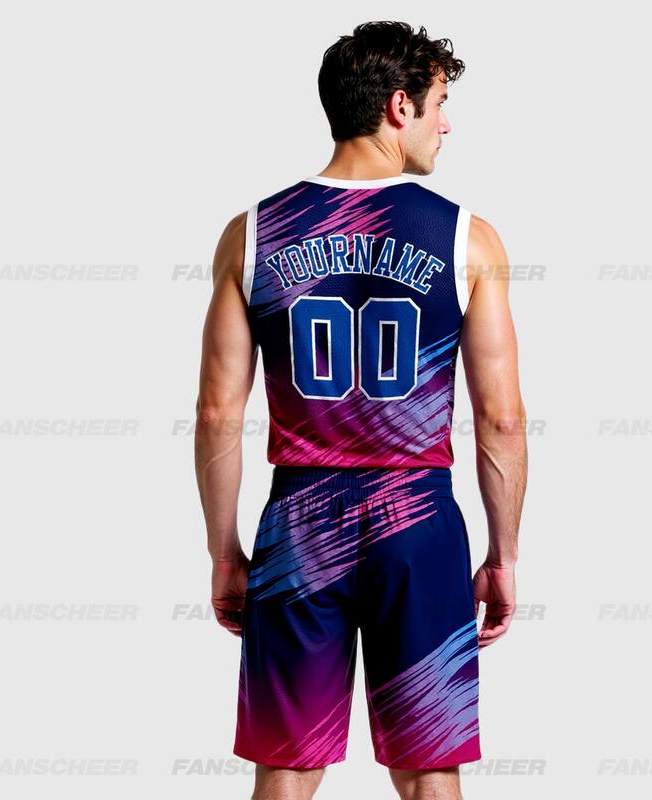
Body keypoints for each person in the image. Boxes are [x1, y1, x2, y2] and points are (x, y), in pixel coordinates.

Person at [195, 20, 527, 800]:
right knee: (427, 770)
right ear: (399, 106)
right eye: (440, 103)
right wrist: (504, 554)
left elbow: (216, 415)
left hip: (299, 521)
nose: (447, 124)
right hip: (418, 522)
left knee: (286, 765)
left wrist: (224, 551)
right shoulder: (467, 239)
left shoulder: (251, 235)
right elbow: (503, 421)